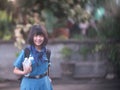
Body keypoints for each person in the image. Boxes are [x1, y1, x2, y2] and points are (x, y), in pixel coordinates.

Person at [13, 25, 53, 90]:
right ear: (32, 37)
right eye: (36, 36)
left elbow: (48, 66)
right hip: (29, 85)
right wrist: (24, 72)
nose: (38, 38)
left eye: (41, 36)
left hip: (45, 85)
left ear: (44, 37)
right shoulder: (26, 52)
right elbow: (15, 70)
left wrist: (48, 77)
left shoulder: (47, 52)